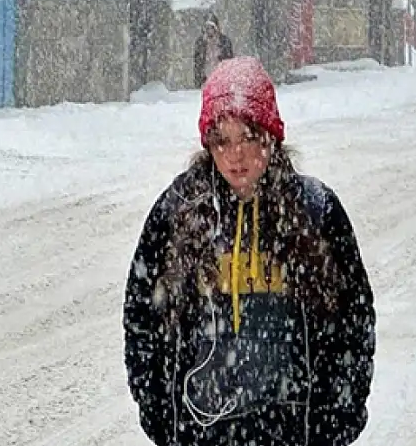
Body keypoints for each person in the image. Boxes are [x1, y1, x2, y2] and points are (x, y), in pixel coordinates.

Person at [123, 57, 376, 446]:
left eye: (248, 137)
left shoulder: (315, 210)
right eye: (221, 140)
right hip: (201, 432)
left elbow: (353, 318)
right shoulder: (178, 211)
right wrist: (159, 413)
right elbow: (143, 315)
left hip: (294, 433)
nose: (235, 155)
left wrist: (340, 414)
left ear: (271, 135)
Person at [193, 13, 234, 87]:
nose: (209, 30)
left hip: (221, 79)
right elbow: (197, 64)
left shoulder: (224, 41)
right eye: (207, 27)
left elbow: (229, 62)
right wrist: (198, 81)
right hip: (205, 80)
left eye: (211, 27)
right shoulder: (200, 42)